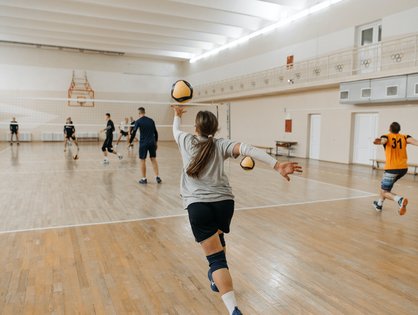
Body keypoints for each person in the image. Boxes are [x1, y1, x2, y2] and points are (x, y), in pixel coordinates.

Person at [172, 106, 302, 315]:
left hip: (199, 206)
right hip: (224, 204)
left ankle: (233, 309)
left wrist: (177, 114)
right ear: (215, 128)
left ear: (196, 128)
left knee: (216, 260)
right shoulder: (222, 144)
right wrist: (276, 165)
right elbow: (249, 149)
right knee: (218, 239)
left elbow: (175, 129)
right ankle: (216, 279)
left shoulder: (186, 140)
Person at [373, 122, 418, 215]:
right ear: (399, 129)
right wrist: (380, 141)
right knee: (385, 188)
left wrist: (379, 142)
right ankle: (379, 204)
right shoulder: (405, 137)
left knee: (385, 191)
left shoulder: (387, 136)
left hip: (391, 169)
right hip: (403, 169)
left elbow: (383, 141)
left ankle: (400, 200)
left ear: (389, 129)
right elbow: (415, 142)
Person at [131, 107, 161, 184]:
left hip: (143, 143)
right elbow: (156, 133)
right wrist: (156, 142)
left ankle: (144, 179)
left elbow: (134, 131)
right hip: (152, 142)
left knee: (142, 160)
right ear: (144, 112)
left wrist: (130, 141)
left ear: (139, 113)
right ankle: (157, 177)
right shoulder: (151, 120)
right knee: (153, 159)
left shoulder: (138, 121)